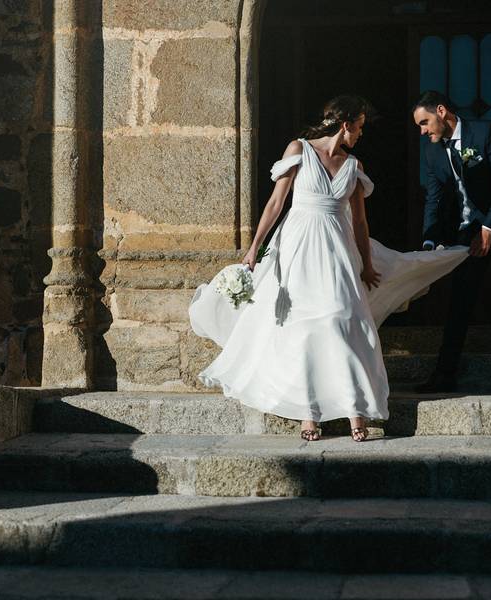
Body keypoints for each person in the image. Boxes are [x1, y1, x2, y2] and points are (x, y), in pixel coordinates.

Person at [189, 95, 468, 442]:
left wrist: (366, 264)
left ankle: (355, 408)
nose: (361, 135)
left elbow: (361, 225)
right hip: (299, 248)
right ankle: (310, 412)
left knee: (344, 319)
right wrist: (253, 249)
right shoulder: (299, 149)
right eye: (360, 127)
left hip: (337, 250)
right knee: (303, 327)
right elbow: (276, 202)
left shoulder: (354, 167)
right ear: (346, 124)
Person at [412, 90, 491, 394]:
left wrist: (490, 227)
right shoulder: (433, 151)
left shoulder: (486, 131)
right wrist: (429, 239)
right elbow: (435, 198)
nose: (423, 131)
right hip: (469, 230)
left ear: (441, 111)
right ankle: (445, 374)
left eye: (425, 123)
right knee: (460, 301)